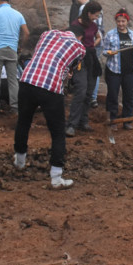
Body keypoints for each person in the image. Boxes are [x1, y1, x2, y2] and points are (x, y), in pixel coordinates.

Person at [14, 28, 86, 189]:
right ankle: (56, 178)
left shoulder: (47, 34)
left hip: (27, 80)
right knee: (58, 132)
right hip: (50, 87)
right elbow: (71, 69)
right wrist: (67, 72)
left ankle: (19, 162)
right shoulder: (79, 47)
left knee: (23, 122)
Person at [66, 0, 102, 136]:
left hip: (91, 59)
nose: (97, 18)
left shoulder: (93, 26)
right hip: (79, 60)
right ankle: (71, 124)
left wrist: (92, 44)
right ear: (89, 13)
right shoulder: (75, 25)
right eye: (95, 15)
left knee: (89, 92)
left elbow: (98, 37)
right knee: (81, 90)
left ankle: (83, 121)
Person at [102, 8, 133, 129]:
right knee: (113, 95)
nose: (121, 24)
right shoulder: (110, 34)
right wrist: (109, 52)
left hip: (130, 71)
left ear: (127, 21)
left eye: (123, 21)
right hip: (114, 70)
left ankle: (127, 120)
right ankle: (112, 120)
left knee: (129, 96)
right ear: (116, 21)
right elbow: (104, 51)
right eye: (118, 21)